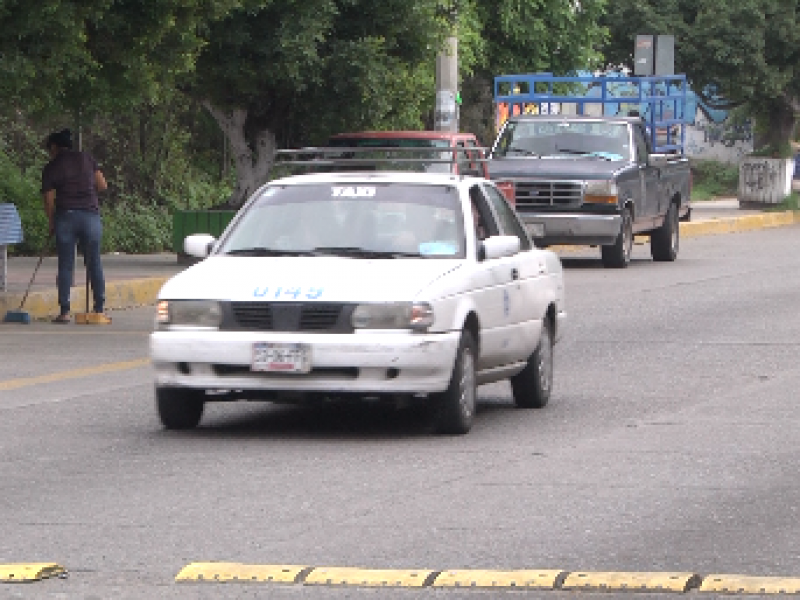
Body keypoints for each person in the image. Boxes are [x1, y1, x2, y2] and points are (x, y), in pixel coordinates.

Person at [41, 129, 110, 324]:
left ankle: (64, 311)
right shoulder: (86, 158)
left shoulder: (52, 167)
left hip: (66, 217)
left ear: (54, 147)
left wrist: (51, 221)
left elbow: (48, 199)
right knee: (94, 262)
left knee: (65, 264)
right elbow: (102, 185)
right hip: (90, 216)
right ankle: (99, 308)